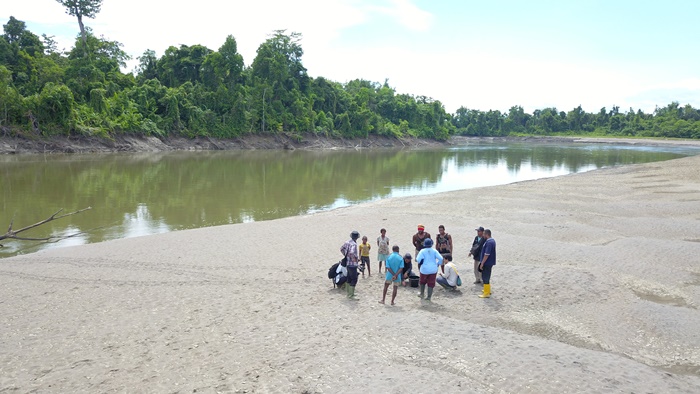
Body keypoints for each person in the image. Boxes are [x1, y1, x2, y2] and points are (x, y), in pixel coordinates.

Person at [340, 230, 361, 300]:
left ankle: (348, 293)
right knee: (354, 279)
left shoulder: (347, 242)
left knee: (349, 278)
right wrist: (354, 259)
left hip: (347, 263)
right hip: (352, 264)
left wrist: (346, 255)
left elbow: (341, 249)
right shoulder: (354, 244)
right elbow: (352, 253)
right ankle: (351, 295)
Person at [478, 229, 496, 298]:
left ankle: (486, 293)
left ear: (486, 234)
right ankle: (487, 290)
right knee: (487, 276)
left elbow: (487, 254)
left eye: (484, 234)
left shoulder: (489, 242)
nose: (483, 235)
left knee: (485, 276)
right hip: (490, 262)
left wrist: (482, 263)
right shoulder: (492, 241)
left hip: (487, 262)